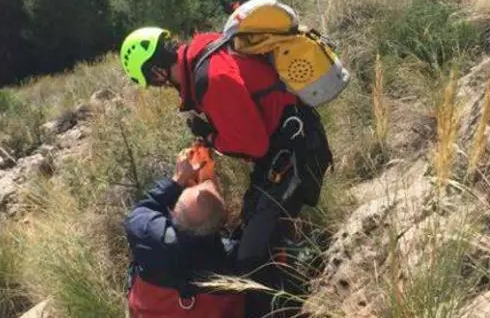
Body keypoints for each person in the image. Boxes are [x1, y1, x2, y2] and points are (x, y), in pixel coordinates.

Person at [120, 26, 334, 317]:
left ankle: (286, 307)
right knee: (249, 228)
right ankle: (299, 268)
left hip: (295, 155)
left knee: (250, 257)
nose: (161, 86)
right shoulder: (205, 55)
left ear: (157, 72)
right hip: (284, 153)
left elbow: (255, 144)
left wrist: (211, 139)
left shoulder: (210, 77)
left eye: (154, 82)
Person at [125, 149, 244, 318]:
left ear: (173, 213)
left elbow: (142, 210)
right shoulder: (233, 258)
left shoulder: (149, 238)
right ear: (222, 222)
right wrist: (210, 184)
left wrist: (178, 180)